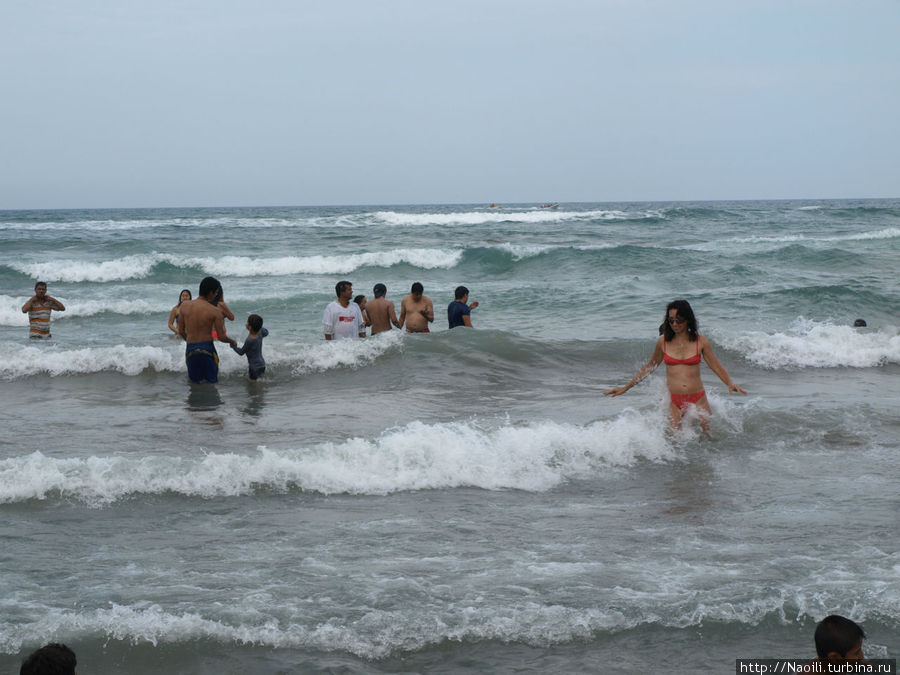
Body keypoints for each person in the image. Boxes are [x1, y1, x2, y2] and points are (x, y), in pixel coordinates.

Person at [604, 299, 746, 430]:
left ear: (688, 320)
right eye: (671, 320)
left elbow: (716, 366)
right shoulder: (663, 342)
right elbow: (649, 368)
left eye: (679, 320)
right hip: (675, 400)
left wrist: (729, 384)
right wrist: (625, 388)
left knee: (707, 436)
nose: (675, 324)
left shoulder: (700, 341)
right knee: (675, 440)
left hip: (698, 398)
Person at [178, 276, 237, 383]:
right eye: (215, 292)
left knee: (195, 384)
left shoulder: (184, 306)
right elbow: (221, 337)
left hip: (191, 351)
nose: (216, 295)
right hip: (208, 350)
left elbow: (180, 330)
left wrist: (190, 341)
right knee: (212, 383)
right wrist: (232, 341)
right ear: (210, 293)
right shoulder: (215, 311)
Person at [231, 314, 269, 380]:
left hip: (254, 367)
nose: (246, 324)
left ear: (250, 327)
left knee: (253, 383)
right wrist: (260, 327)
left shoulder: (249, 340)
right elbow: (266, 332)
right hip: (262, 364)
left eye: (247, 323)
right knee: (260, 380)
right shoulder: (260, 332)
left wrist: (233, 347)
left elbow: (241, 352)